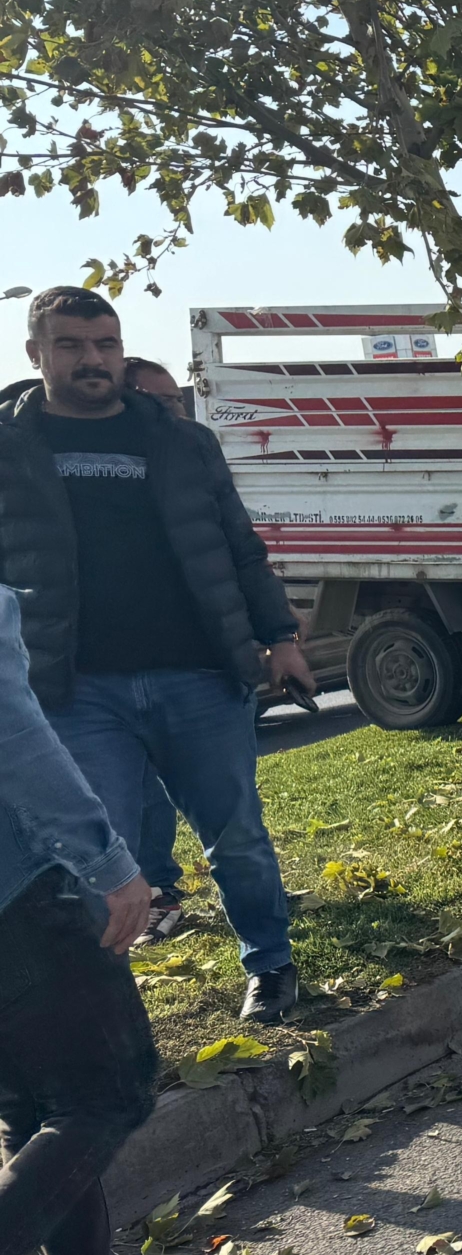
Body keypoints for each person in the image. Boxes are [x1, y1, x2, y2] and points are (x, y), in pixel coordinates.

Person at [6, 288, 314, 1023]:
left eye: (105, 345)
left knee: (236, 834)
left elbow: (239, 548)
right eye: (73, 345)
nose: (92, 360)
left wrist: (282, 640)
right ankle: (109, 1003)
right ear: (36, 354)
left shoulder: (180, 441)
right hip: (74, 690)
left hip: (199, 676)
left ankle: (270, 967)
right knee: (95, 856)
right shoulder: (9, 448)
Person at [0, 581, 174, 1255]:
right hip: (16, 898)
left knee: (37, 1104)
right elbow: (14, 736)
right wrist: (106, 858)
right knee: (111, 1093)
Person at [122, 359, 192, 938]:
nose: (177, 412)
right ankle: (155, 894)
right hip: (108, 670)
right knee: (135, 789)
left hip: (191, 661)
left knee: (226, 798)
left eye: (178, 400)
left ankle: (253, 885)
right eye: (161, 401)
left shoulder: (185, 458)